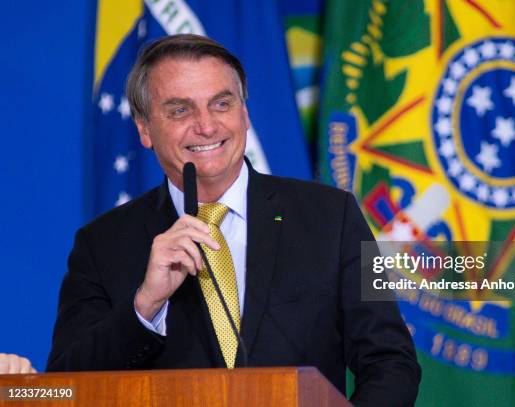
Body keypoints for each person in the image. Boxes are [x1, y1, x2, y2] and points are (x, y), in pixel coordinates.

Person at [47, 34, 420, 406]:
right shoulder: (101, 245)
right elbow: (62, 389)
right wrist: (145, 305)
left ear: (244, 112)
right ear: (144, 128)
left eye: (221, 104)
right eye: (180, 110)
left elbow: (390, 360)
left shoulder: (335, 216)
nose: (206, 126)